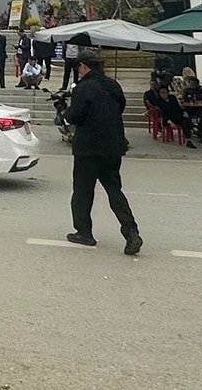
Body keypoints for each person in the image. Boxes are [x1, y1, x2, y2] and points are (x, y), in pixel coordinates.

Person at [63, 53, 140, 255]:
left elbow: (75, 117)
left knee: (82, 191)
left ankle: (84, 233)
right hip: (113, 145)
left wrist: (64, 110)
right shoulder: (113, 85)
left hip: (88, 148)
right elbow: (120, 107)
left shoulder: (82, 88)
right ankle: (131, 232)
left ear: (82, 67)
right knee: (114, 190)